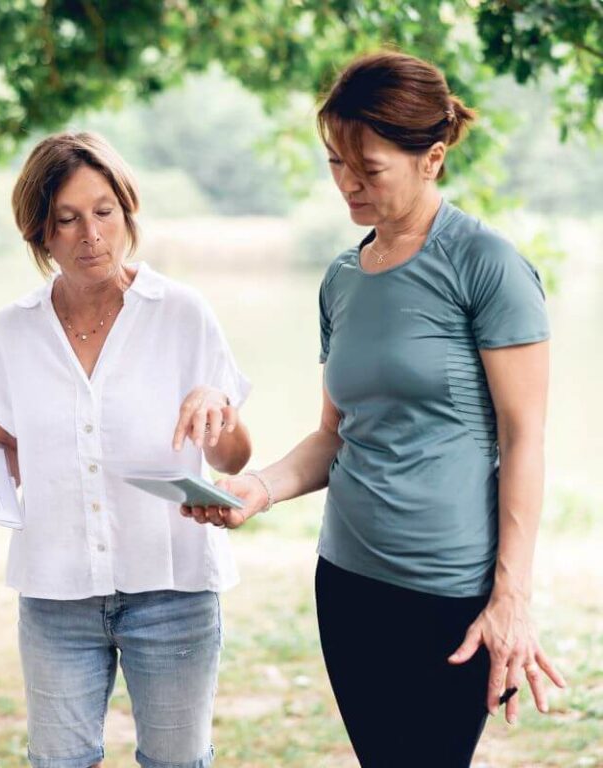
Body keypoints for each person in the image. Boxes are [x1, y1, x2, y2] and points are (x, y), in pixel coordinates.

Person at [182, 51, 566, 767]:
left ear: (433, 157)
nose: (348, 185)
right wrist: (257, 488)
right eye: (335, 163)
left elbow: (526, 442)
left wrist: (511, 595)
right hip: (350, 582)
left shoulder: (488, 266)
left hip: (451, 591)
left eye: (369, 167)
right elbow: (335, 435)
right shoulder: (341, 280)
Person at [0, 131, 252, 768]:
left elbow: (233, 459)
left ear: (127, 212)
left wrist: (220, 409)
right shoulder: (14, 329)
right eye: (66, 220)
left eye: (104, 212)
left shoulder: (182, 313)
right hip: (56, 593)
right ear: (40, 233)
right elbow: (8, 449)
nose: (90, 234)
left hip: (173, 587)